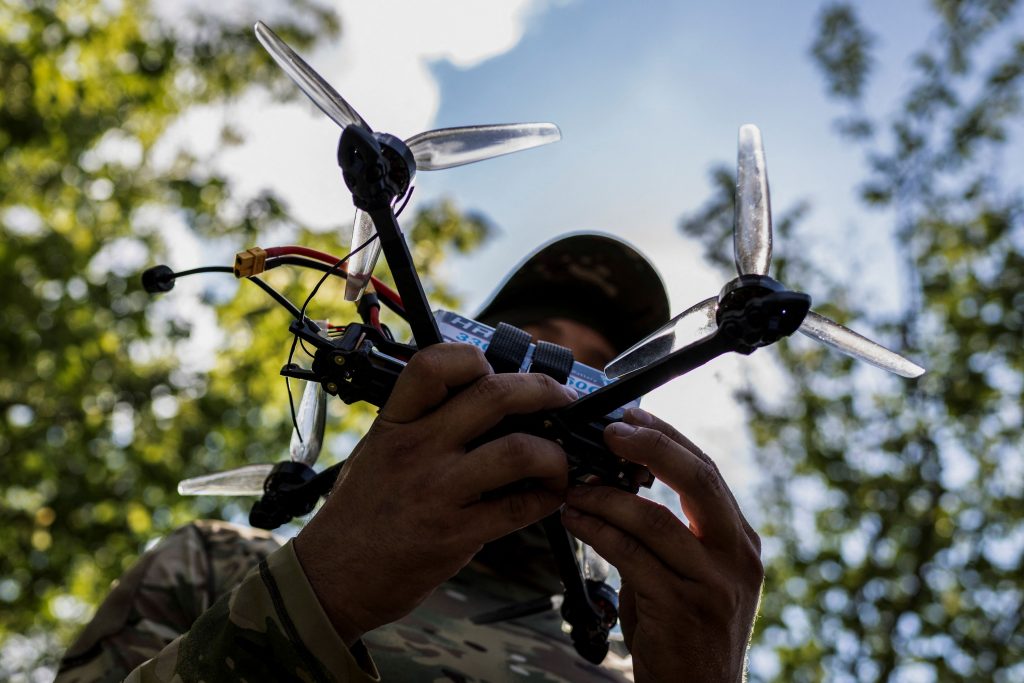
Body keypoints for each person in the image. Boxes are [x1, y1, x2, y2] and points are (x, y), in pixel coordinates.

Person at [56, 233, 764, 682]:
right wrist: (320, 588)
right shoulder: (215, 565)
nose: (560, 384)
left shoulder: (637, 667)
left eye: (599, 373)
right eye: (534, 346)